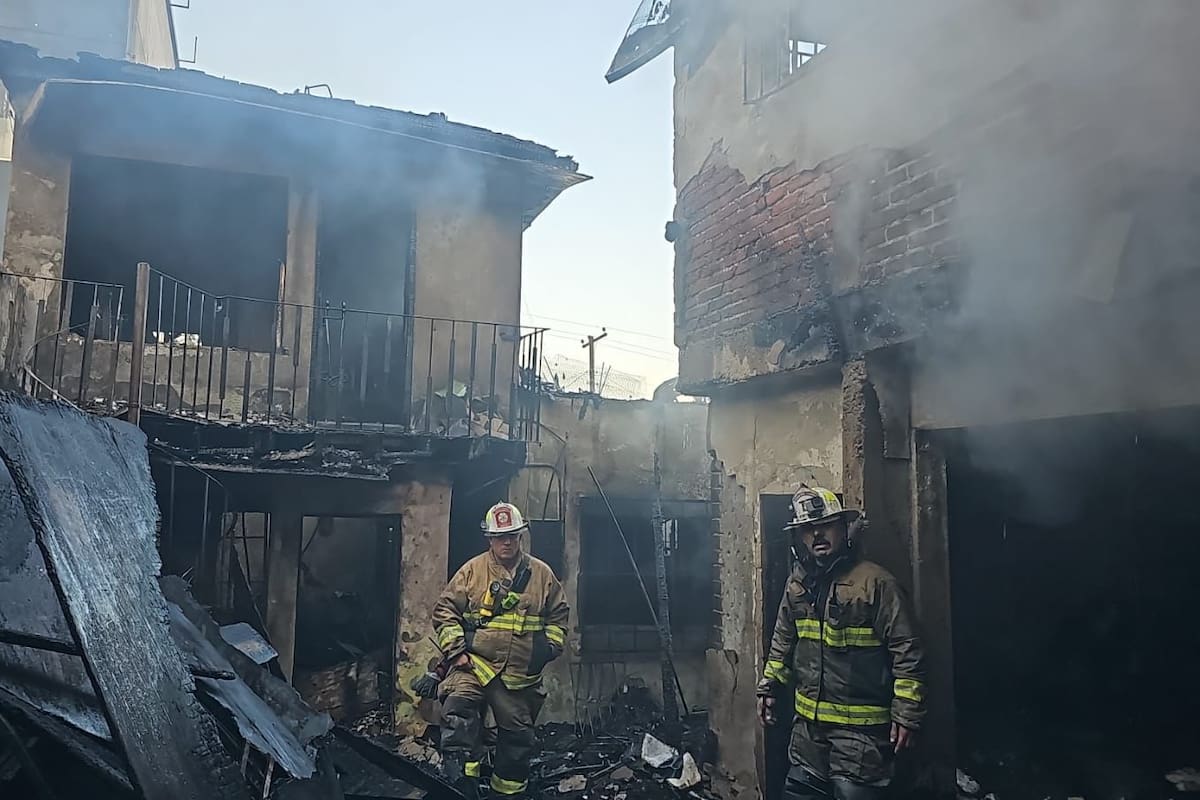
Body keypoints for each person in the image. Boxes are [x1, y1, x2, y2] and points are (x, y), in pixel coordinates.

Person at [757, 487, 927, 799]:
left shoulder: (875, 584)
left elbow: (907, 650)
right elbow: (783, 639)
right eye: (807, 529)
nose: (817, 534)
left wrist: (907, 714)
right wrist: (769, 687)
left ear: (843, 529)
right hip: (807, 733)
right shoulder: (797, 585)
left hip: (861, 738)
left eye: (826, 525)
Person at [433, 502, 569, 799]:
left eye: (512, 535)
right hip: (473, 665)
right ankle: (460, 788)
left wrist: (549, 647)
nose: (506, 542)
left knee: (518, 738)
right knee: (459, 715)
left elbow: (559, 615)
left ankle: (506, 793)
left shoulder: (542, 574)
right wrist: (457, 652)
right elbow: (444, 611)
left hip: (517, 676)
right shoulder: (472, 571)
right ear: (489, 539)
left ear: (521, 536)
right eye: (499, 536)